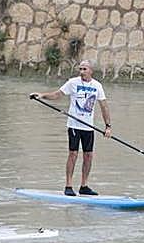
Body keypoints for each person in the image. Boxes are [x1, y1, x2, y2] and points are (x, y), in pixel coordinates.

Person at [30, 60, 111, 196]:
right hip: (74, 125)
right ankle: (68, 185)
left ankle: (84, 186)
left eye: (84, 69)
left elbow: (104, 106)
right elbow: (57, 94)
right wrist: (42, 95)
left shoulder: (97, 86)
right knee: (73, 154)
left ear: (91, 71)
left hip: (88, 127)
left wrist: (108, 126)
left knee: (88, 156)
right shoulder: (73, 82)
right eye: (80, 69)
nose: (81, 72)